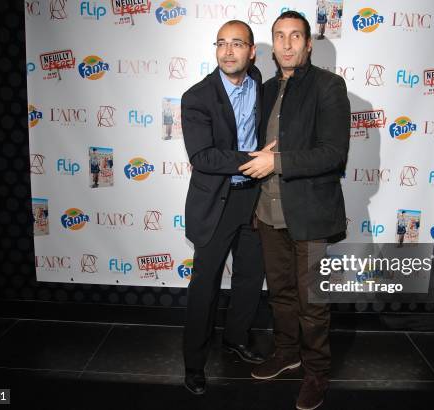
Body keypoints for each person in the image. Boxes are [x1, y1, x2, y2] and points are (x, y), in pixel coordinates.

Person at [239, 11, 350, 410]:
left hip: (311, 214)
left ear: (308, 44)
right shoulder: (265, 90)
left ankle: (317, 372)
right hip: (268, 213)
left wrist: (278, 162)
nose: (286, 45)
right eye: (279, 37)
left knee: (313, 302)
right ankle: (286, 353)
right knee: (281, 295)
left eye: (295, 36)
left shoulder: (329, 86)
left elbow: (334, 154)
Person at [181, 20, 273, 395]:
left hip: (256, 197)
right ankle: (193, 364)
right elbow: (202, 155)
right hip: (217, 201)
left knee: (251, 276)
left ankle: (235, 339)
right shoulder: (197, 97)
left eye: (237, 44)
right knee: (205, 285)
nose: (228, 51)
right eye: (222, 43)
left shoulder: (263, 89)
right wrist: (253, 158)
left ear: (251, 51)